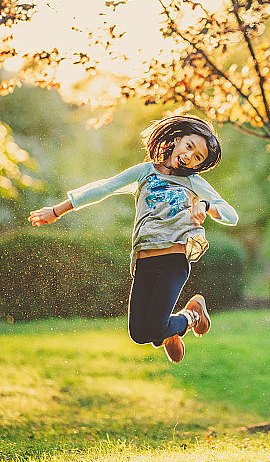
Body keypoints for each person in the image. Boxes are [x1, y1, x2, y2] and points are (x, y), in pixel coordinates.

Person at [29, 115, 238, 363]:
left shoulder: (193, 183)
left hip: (173, 260)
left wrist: (204, 205)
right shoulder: (145, 172)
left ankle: (191, 316)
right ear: (178, 139)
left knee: (155, 327)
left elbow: (231, 215)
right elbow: (104, 187)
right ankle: (172, 329)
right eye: (189, 147)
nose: (189, 156)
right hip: (144, 262)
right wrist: (56, 211)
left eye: (198, 158)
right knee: (140, 334)